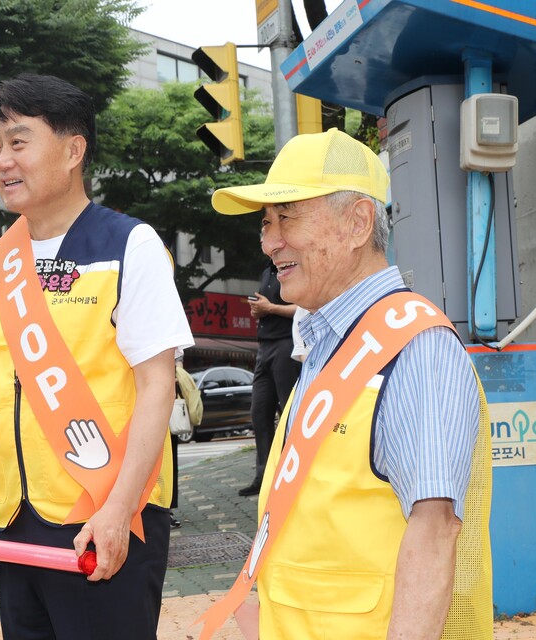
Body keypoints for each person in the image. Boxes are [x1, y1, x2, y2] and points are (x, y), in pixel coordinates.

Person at [0, 74, 193, 640]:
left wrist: (118, 510)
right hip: (16, 522)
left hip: (104, 514)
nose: (2, 160)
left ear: (73, 150)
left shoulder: (128, 245)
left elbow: (157, 385)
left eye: (19, 142)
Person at [201, 128, 492, 639]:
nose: (270, 242)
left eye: (287, 216)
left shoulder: (414, 347)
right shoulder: (327, 341)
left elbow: (434, 530)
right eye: (266, 223)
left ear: (359, 222)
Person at [239, 261, 301, 496]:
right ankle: (263, 476)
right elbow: (265, 308)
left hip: (287, 343)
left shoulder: (294, 266)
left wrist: (271, 308)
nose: (265, 239)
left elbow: (303, 308)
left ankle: (293, 475)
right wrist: (258, 310)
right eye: (263, 232)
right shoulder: (266, 271)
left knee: (289, 412)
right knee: (259, 414)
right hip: (263, 345)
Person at [170, 358, 203, 528]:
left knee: (168, 457)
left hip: (165, 384)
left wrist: (175, 373)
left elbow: (178, 358)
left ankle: (166, 508)